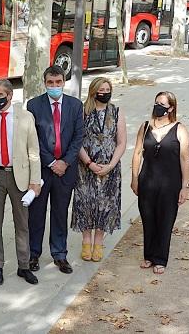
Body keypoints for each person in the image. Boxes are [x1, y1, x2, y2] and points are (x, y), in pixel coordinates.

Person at [0, 79, 41, 285]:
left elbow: (34, 152)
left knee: (22, 224)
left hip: (20, 177)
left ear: (10, 95)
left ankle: (24, 266)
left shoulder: (26, 117)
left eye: (0, 95)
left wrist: (34, 181)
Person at [26, 65, 83, 274]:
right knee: (36, 214)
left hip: (65, 171)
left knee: (60, 213)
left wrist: (65, 163)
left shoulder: (75, 106)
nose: (54, 86)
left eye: (58, 82)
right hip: (41, 169)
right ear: (45, 83)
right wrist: (51, 162)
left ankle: (60, 254)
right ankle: (33, 254)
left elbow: (78, 137)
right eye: (50, 83)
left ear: (64, 82)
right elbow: (33, 139)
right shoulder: (33, 105)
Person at [131, 91, 189, 275]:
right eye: (156, 102)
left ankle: (160, 258)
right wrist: (134, 178)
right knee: (148, 218)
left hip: (170, 184)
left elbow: (184, 158)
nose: (158, 106)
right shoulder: (146, 126)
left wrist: (185, 185)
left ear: (171, 108)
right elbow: (138, 153)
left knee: (165, 220)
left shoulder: (179, 129)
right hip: (147, 181)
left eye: (162, 104)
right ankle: (148, 255)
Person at [72, 77, 127, 262]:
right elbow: (77, 140)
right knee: (86, 202)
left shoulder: (116, 112)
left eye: (107, 89)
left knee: (105, 203)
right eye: (101, 90)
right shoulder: (82, 111)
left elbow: (121, 142)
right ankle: (86, 241)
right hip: (85, 166)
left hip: (110, 168)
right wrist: (89, 163)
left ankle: (98, 242)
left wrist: (111, 165)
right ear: (94, 91)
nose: (105, 93)